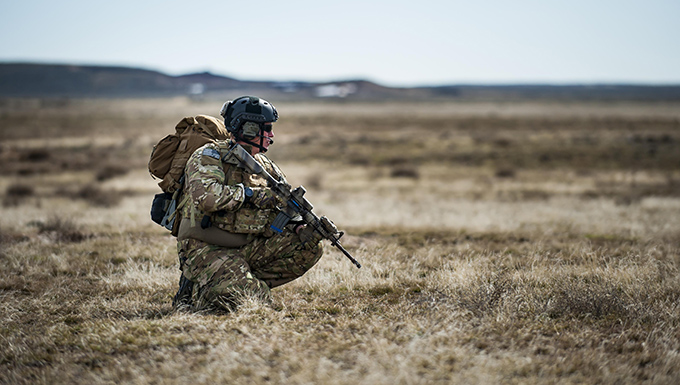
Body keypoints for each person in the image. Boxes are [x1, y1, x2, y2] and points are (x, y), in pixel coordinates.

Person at [171, 96, 335, 312]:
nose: (271, 135)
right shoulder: (209, 156)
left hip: (248, 246)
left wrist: (301, 227)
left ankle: (232, 279)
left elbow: (281, 208)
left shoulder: (266, 167)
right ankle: (205, 287)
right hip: (206, 247)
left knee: (309, 248)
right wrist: (251, 194)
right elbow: (207, 198)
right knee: (249, 299)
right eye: (266, 128)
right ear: (247, 128)